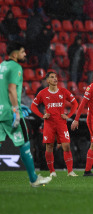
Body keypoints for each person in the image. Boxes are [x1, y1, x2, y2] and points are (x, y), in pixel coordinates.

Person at [0, 41, 52, 187]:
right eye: (22, 52)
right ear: (15, 54)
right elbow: (11, 89)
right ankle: (34, 179)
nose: (25, 54)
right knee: (24, 144)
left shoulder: (1, 66)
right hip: (10, 114)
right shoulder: (16, 67)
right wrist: (16, 110)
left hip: (0, 111)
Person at [30, 71, 79, 177]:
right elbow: (33, 106)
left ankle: (70, 171)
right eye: (52, 77)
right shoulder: (42, 93)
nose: (55, 79)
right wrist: (42, 115)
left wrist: (69, 115)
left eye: (56, 77)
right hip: (49, 124)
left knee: (66, 146)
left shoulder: (63, 91)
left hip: (61, 123)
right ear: (47, 80)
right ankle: (52, 171)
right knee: (49, 147)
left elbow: (75, 103)